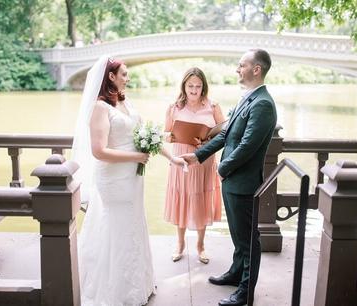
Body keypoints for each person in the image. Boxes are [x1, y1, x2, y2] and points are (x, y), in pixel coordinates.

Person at [72, 56, 185, 306]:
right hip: (113, 177)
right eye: (123, 73)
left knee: (133, 224)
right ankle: (114, 292)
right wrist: (136, 156)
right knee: (117, 227)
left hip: (132, 177)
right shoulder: (100, 108)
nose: (128, 77)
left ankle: (136, 283)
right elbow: (99, 151)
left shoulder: (125, 102)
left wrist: (172, 158)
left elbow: (148, 136)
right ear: (110, 76)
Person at [181, 49, 277, 306]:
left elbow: (247, 146)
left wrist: (222, 169)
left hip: (243, 182)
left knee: (248, 240)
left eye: (241, 65)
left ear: (256, 69)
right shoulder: (247, 99)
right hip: (232, 180)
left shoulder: (263, 104)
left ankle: (245, 293)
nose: (237, 69)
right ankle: (236, 273)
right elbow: (225, 136)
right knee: (237, 235)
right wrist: (198, 156)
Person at [164, 67, 225, 264]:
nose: (194, 90)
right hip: (181, 159)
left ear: (203, 87)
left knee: (201, 201)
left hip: (203, 160)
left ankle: (200, 245)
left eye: (198, 86)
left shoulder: (213, 106)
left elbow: (224, 133)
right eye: (190, 86)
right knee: (182, 199)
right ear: (184, 86)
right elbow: (165, 134)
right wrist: (174, 136)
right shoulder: (174, 108)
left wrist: (206, 142)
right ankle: (180, 243)